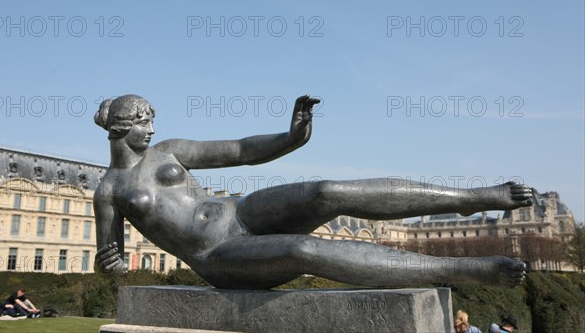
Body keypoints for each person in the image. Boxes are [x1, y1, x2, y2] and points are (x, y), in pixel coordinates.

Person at [94, 94, 533, 289]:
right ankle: (464, 270)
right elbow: (109, 261)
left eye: (151, 120)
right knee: (305, 251)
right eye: (142, 122)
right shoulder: (109, 191)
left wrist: (290, 137)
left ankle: (478, 198)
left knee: (325, 190)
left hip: (241, 213)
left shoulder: (170, 150)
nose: (151, 129)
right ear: (119, 127)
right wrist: (109, 261)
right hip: (218, 256)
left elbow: (240, 150)